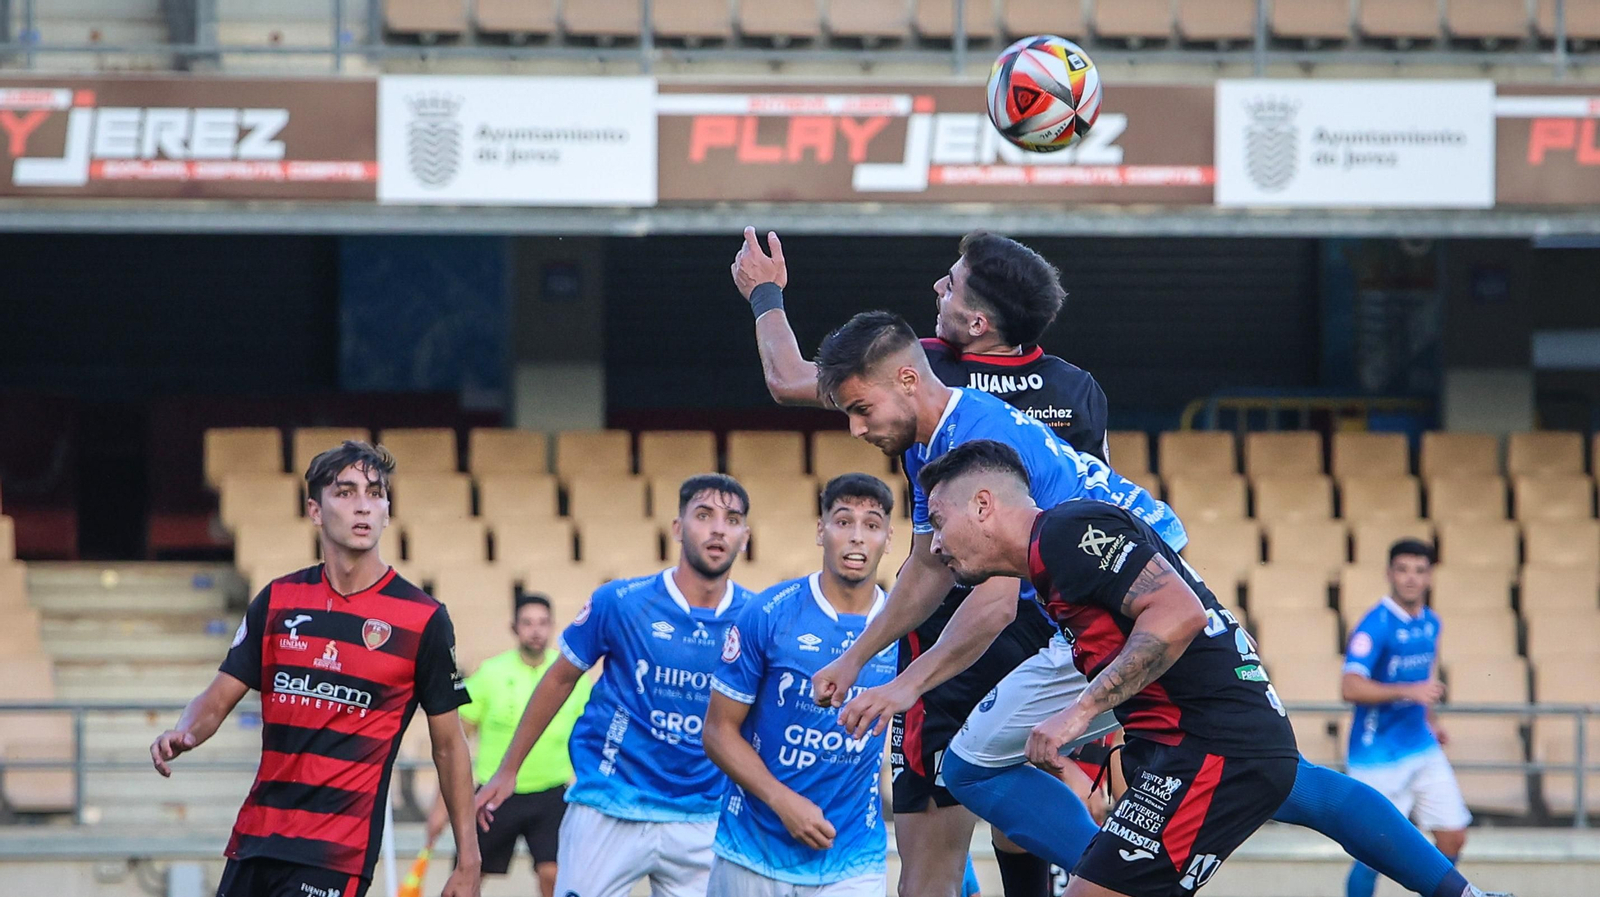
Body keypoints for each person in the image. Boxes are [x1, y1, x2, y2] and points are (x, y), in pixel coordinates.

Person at [732, 226, 1111, 897]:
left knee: (943, 843)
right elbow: (1098, 514)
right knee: (1012, 819)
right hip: (1050, 633)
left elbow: (786, 378)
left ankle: (1144, 872)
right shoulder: (1077, 387)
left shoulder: (927, 377)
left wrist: (766, 295)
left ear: (977, 320)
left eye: (951, 283)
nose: (937, 287)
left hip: (969, 629)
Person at [918, 439, 1301, 896]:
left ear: (983, 505)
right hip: (1187, 751)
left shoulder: (1065, 532)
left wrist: (1078, 712)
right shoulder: (1053, 560)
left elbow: (1181, 613)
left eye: (938, 522)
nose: (935, 544)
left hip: (1213, 750)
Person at [150, 441, 480, 897]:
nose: (363, 505)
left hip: (336, 853)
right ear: (316, 511)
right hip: (257, 839)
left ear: (387, 510)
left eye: (375, 492)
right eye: (345, 493)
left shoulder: (422, 619)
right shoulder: (277, 601)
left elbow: (449, 746)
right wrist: (183, 731)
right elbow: (219, 695)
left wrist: (469, 859)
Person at [474, 474, 754, 897]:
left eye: (732, 519)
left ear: (745, 537)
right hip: (609, 802)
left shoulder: (756, 619)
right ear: (677, 529)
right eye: (704, 515)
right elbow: (560, 678)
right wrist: (509, 768)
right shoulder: (620, 601)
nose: (718, 528)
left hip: (703, 814)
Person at [703, 473, 898, 897]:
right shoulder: (768, 613)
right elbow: (718, 731)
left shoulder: (905, 629)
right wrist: (782, 801)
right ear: (820, 531)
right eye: (843, 522)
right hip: (751, 851)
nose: (857, 538)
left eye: (871, 525)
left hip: (854, 859)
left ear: (888, 537)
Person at [423, 592, 592, 897]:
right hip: (494, 794)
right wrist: (440, 809)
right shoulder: (490, 673)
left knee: (554, 875)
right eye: (527, 623)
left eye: (542, 623)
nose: (536, 630)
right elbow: (452, 745)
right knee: (468, 875)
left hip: (552, 793)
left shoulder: (569, 675)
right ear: (514, 628)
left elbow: (592, 737)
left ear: (553, 626)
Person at [1343, 540, 1471, 897]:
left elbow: (1426, 677)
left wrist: (1429, 720)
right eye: (1402, 570)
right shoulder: (1375, 625)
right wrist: (1407, 691)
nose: (1410, 579)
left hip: (1421, 746)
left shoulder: (1432, 622)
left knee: (1452, 836)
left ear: (1430, 576)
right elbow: (1350, 686)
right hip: (1376, 755)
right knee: (1372, 853)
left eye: (1419, 570)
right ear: (1389, 574)